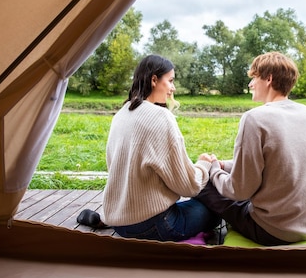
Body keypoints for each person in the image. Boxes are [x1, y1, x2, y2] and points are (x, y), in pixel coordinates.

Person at [197, 51, 306, 246]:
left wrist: (213, 170)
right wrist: (225, 165)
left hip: (273, 230)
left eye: (254, 78)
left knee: (204, 185)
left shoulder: (255, 118)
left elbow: (239, 191)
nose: (250, 84)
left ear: (268, 79)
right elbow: (277, 162)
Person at [86, 54, 220, 241]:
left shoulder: (122, 113)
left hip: (119, 221)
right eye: (171, 81)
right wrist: (203, 165)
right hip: (154, 226)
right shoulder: (160, 117)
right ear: (154, 79)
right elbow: (188, 186)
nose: (173, 88)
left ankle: (103, 220)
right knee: (215, 207)